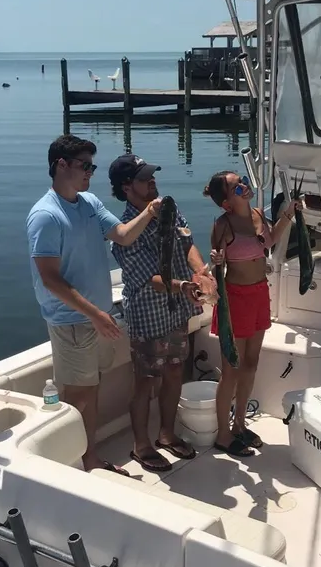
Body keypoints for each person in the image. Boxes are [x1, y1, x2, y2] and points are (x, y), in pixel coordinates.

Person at [26, 135, 158, 474]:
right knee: (80, 397)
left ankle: (87, 456)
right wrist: (96, 314)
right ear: (61, 165)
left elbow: (125, 235)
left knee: (91, 391)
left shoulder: (89, 202)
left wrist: (149, 211)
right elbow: (51, 279)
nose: (91, 173)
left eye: (92, 166)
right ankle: (84, 461)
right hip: (73, 321)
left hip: (98, 317)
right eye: (86, 166)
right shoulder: (45, 215)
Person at [109, 154, 213, 472]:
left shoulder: (168, 207)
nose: (152, 181)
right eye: (144, 178)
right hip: (149, 314)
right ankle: (141, 445)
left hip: (178, 309)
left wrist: (200, 274)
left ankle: (167, 434)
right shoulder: (124, 234)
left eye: (152, 175)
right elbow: (149, 281)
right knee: (145, 382)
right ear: (126, 187)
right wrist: (183, 286)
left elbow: (188, 244)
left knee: (174, 373)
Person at [205, 171, 297, 455]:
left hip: (259, 294)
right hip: (235, 300)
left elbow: (269, 242)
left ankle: (239, 426)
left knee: (251, 364)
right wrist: (216, 261)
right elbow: (216, 269)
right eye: (236, 186)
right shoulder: (222, 225)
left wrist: (289, 214)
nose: (244, 186)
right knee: (231, 370)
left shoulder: (258, 214)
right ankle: (222, 434)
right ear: (227, 203)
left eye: (243, 180)